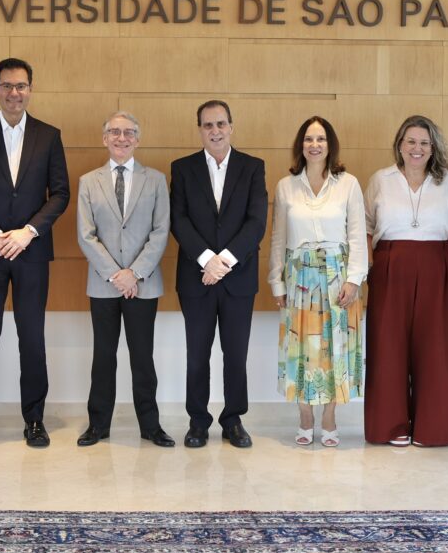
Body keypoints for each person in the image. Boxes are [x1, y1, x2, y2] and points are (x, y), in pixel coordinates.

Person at [0, 57, 70, 449]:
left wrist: (28, 232)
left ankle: (34, 419)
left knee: (31, 339)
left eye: (21, 86)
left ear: (30, 89)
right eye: (7, 85)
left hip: (32, 252)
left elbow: (61, 194)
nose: (14, 93)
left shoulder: (49, 135)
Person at [364, 115, 448, 447]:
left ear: (433, 147)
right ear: (400, 144)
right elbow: (365, 224)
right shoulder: (380, 180)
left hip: (438, 267)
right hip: (389, 267)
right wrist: (372, 267)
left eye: (424, 143)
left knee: (437, 350)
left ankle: (434, 428)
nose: (417, 148)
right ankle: (391, 426)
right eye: (410, 141)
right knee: (387, 348)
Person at [170, 100, 267, 449]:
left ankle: (233, 420)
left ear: (231, 127)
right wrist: (206, 260)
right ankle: (198, 421)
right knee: (197, 354)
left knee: (235, 354)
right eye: (208, 125)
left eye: (221, 124)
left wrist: (223, 261)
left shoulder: (253, 167)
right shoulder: (182, 168)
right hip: (196, 279)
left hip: (238, 279)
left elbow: (256, 222)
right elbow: (178, 219)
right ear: (199, 129)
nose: (215, 131)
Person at [76, 111, 174, 448]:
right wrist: (116, 275)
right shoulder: (89, 181)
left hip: (143, 284)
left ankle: (150, 425)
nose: (122, 138)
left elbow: (161, 231)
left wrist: (135, 273)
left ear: (138, 138)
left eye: (129, 132)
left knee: (142, 357)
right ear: (104, 139)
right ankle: (98, 425)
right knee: (103, 357)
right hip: (103, 284)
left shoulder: (156, 180)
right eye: (115, 132)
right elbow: (85, 235)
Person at [268, 117, 367, 448]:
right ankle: (305, 416)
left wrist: (354, 280)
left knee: (335, 350)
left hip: (338, 277)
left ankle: (329, 417)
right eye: (309, 139)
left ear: (330, 144)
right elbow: (278, 238)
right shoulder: (286, 186)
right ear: (301, 145)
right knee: (302, 350)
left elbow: (356, 235)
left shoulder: (348, 183)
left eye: (321, 138)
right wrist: (276, 282)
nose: (314, 144)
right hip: (299, 279)